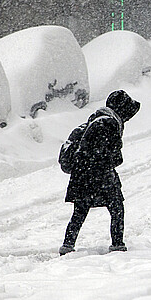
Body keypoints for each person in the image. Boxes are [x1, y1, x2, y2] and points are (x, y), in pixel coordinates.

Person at [60, 90, 140, 255]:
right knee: (117, 207)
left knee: (80, 211)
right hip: (99, 176)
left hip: (82, 176)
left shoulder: (95, 120)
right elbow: (114, 157)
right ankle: (117, 245)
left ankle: (67, 245)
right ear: (122, 110)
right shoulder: (109, 124)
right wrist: (108, 161)